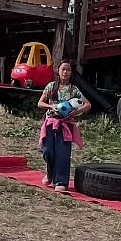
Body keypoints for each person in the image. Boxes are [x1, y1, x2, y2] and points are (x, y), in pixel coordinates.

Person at [37, 59, 91, 194]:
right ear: (58, 71)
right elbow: (40, 103)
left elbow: (87, 105)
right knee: (48, 151)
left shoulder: (74, 90)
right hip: (50, 122)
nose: (65, 72)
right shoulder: (51, 86)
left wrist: (76, 112)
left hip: (66, 124)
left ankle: (61, 182)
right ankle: (50, 173)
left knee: (63, 153)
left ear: (71, 73)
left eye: (68, 70)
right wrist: (51, 106)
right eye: (63, 69)